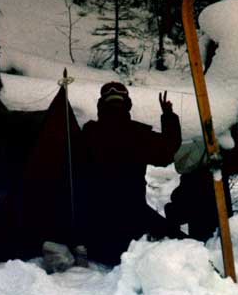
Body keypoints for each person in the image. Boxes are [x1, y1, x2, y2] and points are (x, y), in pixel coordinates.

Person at [79, 82, 184, 266]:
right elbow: (168, 150)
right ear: (127, 104)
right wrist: (168, 116)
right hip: (131, 221)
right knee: (183, 243)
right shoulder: (138, 134)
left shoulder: (89, 133)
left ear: (100, 105)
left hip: (96, 230)